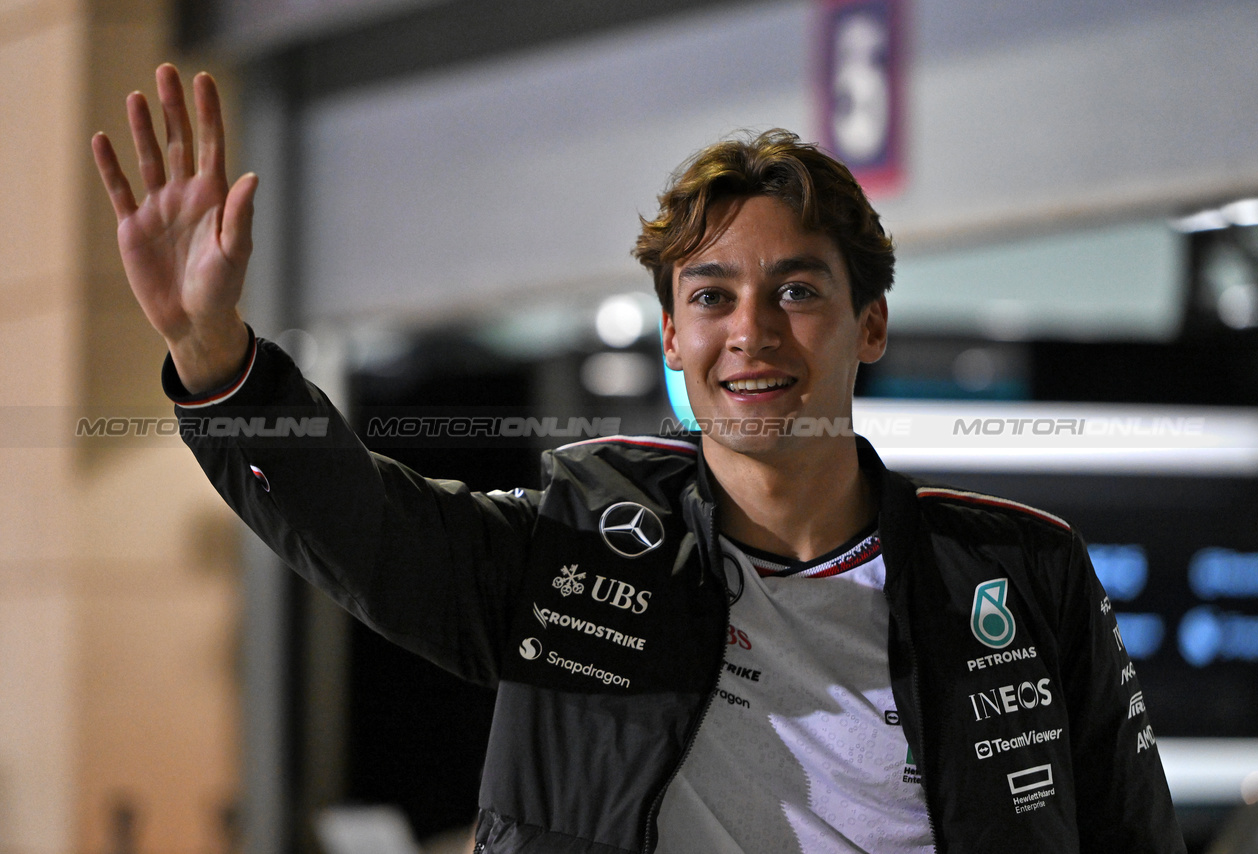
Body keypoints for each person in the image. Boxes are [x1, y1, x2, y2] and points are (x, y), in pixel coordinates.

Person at [93, 65, 1186, 854]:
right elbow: (365, 533)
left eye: (796, 289)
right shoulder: (582, 539)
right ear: (672, 337)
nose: (749, 331)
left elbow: (1130, 833)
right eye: (710, 296)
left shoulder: (1019, 573)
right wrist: (213, 351)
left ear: (871, 323)